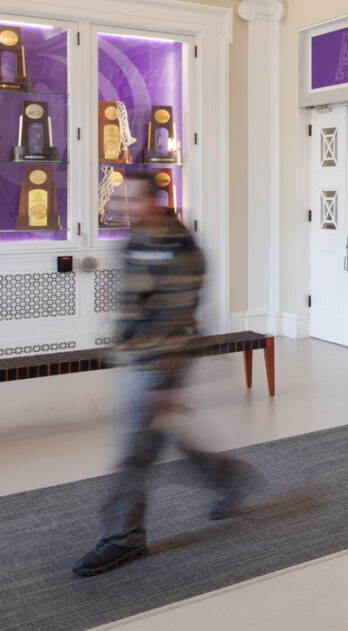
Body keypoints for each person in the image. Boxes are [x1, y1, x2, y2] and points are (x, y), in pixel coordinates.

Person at [74, 170, 251, 577]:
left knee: (135, 452)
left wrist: (166, 382)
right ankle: (228, 478)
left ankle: (123, 538)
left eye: (132, 201)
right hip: (137, 359)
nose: (122, 208)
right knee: (161, 437)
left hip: (159, 364)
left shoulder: (181, 251)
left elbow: (177, 318)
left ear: (155, 201)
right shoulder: (138, 239)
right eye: (119, 201)